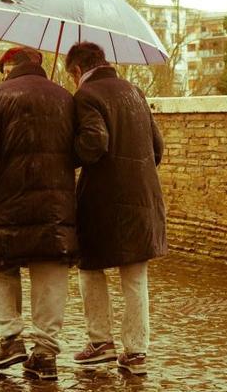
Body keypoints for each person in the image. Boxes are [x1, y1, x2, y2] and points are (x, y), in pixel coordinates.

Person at [0, 47, 77, 380]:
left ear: (8, 67)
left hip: (3, 203)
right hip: (54, 204)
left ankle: (11, 338)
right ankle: (45, 353)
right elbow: (80, 150)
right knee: (50, 271)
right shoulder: (65, 98)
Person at [64, 41, 167, 375]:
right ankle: (136, 352)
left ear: (77, 71)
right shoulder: (134, 91)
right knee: (135, 275)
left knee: (89, 267)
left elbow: (94, 143)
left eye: (71, 78)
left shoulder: (87, 96)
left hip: (103, 199)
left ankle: (100, 342)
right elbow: (157, 146)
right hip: (143, 196)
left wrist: (69, 154)